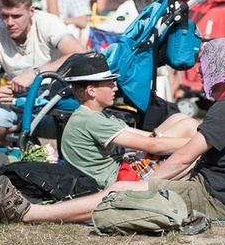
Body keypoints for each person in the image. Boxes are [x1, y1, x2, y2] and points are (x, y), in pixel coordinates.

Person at [0, 38, 225, 224]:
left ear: (220, 68)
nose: (200, 72)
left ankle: (32, 213)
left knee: (121, 191)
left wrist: (149, 183)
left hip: (215, 197)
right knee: (126, 185)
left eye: (205, 65)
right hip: (222, 191)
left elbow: (183, 156)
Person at [60, 53, 199, 187]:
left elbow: (145, 137)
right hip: (124, 179)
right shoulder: (91, 120)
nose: (115, 88)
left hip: (125, 168)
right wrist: (201, 143)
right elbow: (153, 146)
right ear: (91, 91)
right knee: (191, 130)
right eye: (109, 84)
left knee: (178, 118)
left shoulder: (91, 115)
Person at [0, 0, 87, 142]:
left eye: (16, 16)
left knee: (77, 121)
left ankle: (26, 136)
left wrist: (35, 74)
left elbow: (80, 53)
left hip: (54, 97)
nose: (9, 23)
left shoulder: (47, 22)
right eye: (4, 15)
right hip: (17, 102)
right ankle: (19, 143)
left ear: (31, 11)